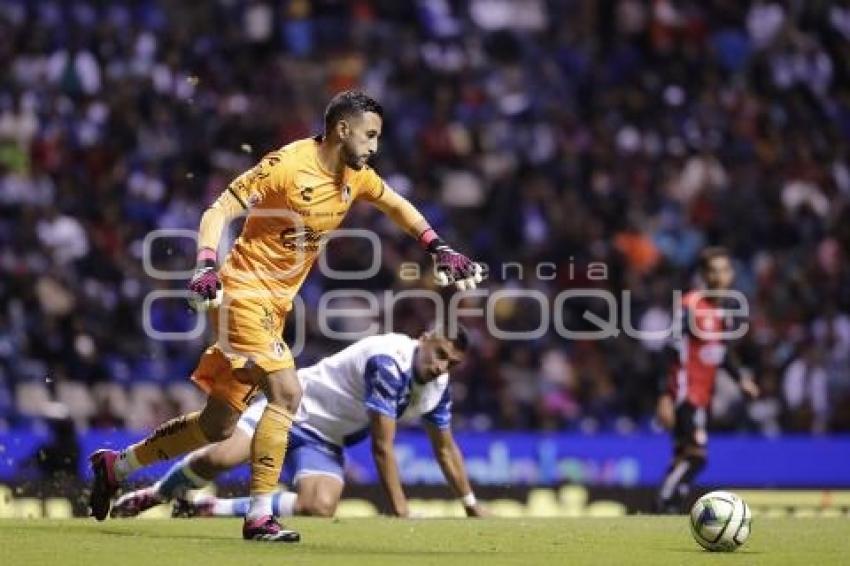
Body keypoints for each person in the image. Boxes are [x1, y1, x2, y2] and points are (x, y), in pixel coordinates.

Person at [88, 90, 484, 542]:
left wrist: (438, 246)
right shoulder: (288, 165)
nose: (375, 147)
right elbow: (220, 208)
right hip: (241, 291)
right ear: (343, 129)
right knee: (287, 391)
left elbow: (397, 205)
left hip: (274, 309)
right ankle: (259, 516)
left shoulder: (356, 177)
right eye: (370, 135)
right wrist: (205, 264)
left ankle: (117, 466)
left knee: (215, 426)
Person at [110, 328, 486, 520]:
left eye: (451, 364)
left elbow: (445, 447)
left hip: (324, 438)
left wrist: (470, 503)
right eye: (439, 355)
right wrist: (401, 510)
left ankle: (206, 510)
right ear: (423, 339)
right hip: (289, 407)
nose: (440, 367)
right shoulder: (388, 362)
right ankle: (158, 493)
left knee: (320, 506)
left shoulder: (437, 387)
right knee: (222, 459)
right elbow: (381, 446)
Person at [655, 247, 759, 513]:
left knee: (683, 455)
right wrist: (665, 395)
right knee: (697, 457)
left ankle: (668, 508)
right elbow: (670, 347)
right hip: (684, 392)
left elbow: (722, 352)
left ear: (732, 274)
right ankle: (665, 501)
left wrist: (741, 380)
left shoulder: (721, 312)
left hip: (702, 394)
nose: (719, 277)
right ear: (704, 275)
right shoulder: (690, 305)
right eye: (713, 271)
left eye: (724, 270)